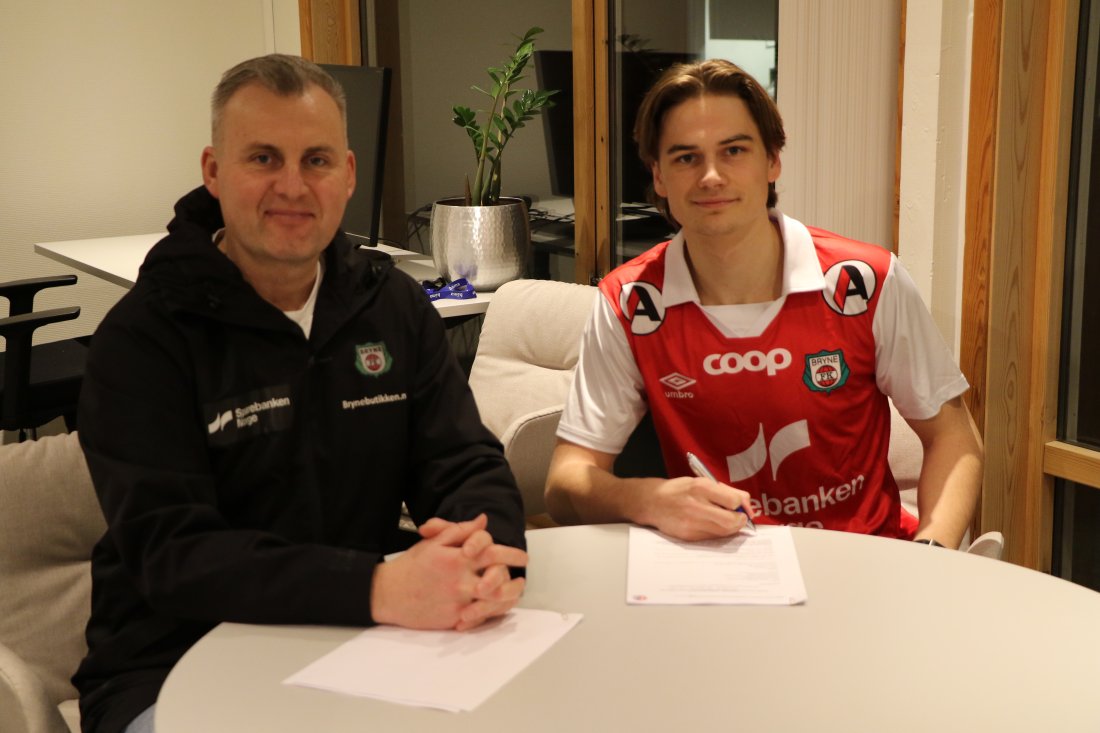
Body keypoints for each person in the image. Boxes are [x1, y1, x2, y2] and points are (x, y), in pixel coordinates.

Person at [73, 54, 527, 733]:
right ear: (213, 172)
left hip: (361, 639)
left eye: (316, 160)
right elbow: (174, 554)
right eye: (263, 158)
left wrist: (487, 550)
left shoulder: (392, 305)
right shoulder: (144, 338)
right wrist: (376, 586)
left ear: (348, 174)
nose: (292, 186)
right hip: (172, 662)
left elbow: (462, 460)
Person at [545, 59, 982, 546]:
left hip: (863, 558)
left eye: (733, 151)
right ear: (659, 176)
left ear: (773, 160)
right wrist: (645, 499)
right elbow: (565, 483)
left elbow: (954, 438)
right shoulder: (629, 302)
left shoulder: (866, 281)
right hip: (717, 565)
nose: (711, 176)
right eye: (686, 158)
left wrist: (932, 552)